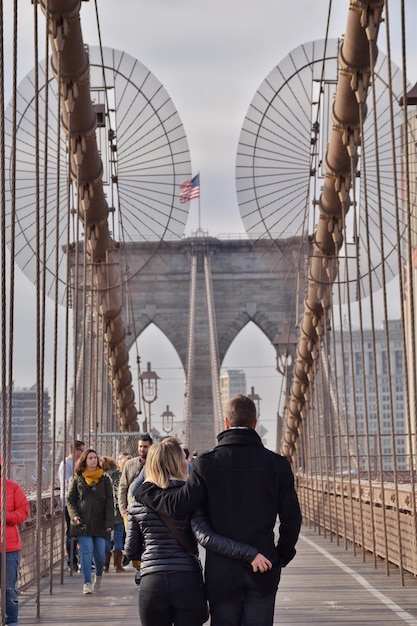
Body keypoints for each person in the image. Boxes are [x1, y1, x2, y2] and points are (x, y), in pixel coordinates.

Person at [138, 394, 302, 626]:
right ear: (255, 423)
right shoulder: (277, 464)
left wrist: (146, 491)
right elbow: (292, 519)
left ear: (226, 422)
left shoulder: (207, 463)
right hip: (263, 567)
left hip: (221, 574)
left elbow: (178, 506)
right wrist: (279, 557)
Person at [125, 437, 271, 626]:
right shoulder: (190, 498)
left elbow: (131, 551)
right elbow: (207, 537)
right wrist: (249, 553)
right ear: (177, 463)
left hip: (152, 583)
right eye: (182, 458)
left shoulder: (138, 501)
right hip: (187, 581)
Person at [67, 448, 114, 595]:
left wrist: (109, 523)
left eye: (95, 458)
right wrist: (74, 515)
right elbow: (70, 499)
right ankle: (86, 583)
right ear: (84, 461)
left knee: (100, 553)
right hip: (83, 522)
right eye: (90, 458)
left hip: (100, 523)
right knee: (86, 551)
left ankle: (98, 575)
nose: (93, 460)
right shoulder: (77, 478)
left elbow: (109, 502)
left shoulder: (105, 479)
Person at [0, 456, 29, 626]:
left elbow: (24, 512)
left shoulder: (12, 487)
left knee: (9, 588)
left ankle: (12, 622)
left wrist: (6, 517)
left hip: (9, 546)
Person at [58, 439, 85, 572]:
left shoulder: (79, 463)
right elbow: (68, 483)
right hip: (69, 503)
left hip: (81, 502)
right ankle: (72, 561)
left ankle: (81, 560)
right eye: (82, 450)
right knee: (72, 532)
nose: (83, 453)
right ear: (75, 451)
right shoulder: (66, 464)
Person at [118, 433, 153, 524]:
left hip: (149, 510)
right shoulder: (130, 464)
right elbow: (123, 487)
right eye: (140, 446)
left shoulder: (154, 464)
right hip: (131, 510)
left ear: (151, 447)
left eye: (145, 447)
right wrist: (123, 510)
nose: (142, 449)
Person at [101, 455, 125, 573]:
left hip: (106, 513)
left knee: (106, 538)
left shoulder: (102, 477)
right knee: (118, 538)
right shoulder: (119, 475)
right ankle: (117, 565)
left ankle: (105, 565)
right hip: (119, 510)